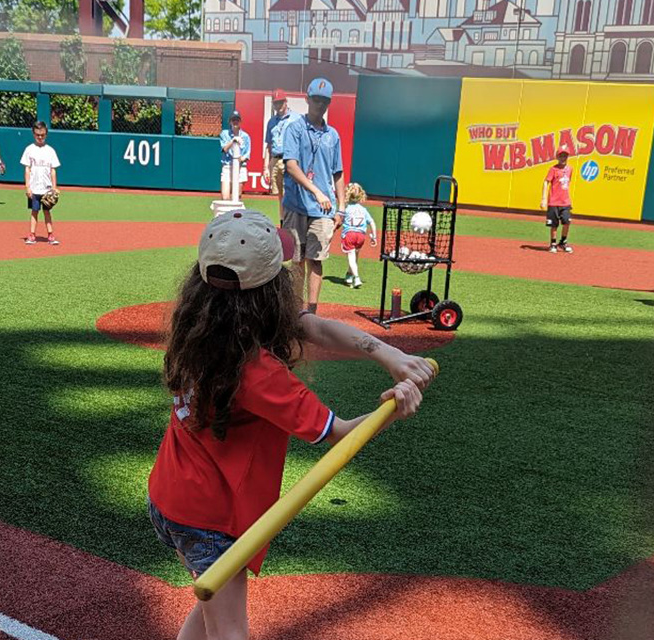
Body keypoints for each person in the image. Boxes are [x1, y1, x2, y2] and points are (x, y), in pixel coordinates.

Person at [147, 210, 435, 640]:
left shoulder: (201, 330)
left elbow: (310, 326)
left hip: (173, 500)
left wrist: (386, 353)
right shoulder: (258, 373)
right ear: (270, 292)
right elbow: (338, 433)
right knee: (229, 631)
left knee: (212, 606)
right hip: (211, 518)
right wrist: (392, 408)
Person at [282, 77, 345, 314]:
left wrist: (341, 207)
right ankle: (296, 310)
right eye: (316, 100)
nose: (320, 105)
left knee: (316, 260)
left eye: (325, 101)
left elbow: (338, 172)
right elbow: (291, 166)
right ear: (307, 100)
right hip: (297, 204)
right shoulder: (295, 128)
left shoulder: (333, 135)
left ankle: (312, 312)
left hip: (323, 209)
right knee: (296, 260)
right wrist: (316, 191)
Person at [20, 121, 61, 246]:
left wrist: (54, 187)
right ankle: (32, 235)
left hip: (46, 189)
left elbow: (53, 170)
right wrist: (27, 187)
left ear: (46, 134)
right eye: (38, 135)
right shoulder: (29, 149)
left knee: (47, 211)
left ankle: (50, 235)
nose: (40, 137)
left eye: (42, 135)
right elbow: (27, 169)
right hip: (34, 188)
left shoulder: (50, 151)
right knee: (34, 211)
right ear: (33, 134)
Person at [339, 182, 377, 289]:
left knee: (351, 256)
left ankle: (356, 277)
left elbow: (339, 220)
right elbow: (372, 222)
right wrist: (374, 237)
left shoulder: (346, 209)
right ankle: (349, 275)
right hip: (361, 236)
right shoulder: (363, 210)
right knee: (355, 256)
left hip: (349, 234)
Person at [262, 89, 293, 217]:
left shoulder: (295, 119)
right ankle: (282, 221)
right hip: (275, 159)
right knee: (280, 195)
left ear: (286, 102)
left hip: (289, 160)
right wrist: (265, 168)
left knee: (288, 194)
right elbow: (268, 145)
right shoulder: (271, 121)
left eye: (280, 102)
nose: (278, 106)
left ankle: (289, 222)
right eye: (275, 103)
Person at [540, 145, 574, 253]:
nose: (563, 158)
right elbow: (546, 182)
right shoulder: (553, 169)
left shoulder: (570, 169)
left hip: (565, 202)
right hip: (554, 202)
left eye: (565, 155)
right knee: (554, 224)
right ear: (557, 157)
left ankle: (563, 242)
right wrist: (544, 198)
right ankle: (553, 243)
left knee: (567, 221)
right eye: (561, 155)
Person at [219, 111, 251, 200]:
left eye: (237, 120)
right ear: (230, 122)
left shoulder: (245, 136)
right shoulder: (224, 134)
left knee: (237, 196)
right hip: (228, 165)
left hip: (240, 167)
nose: (235, 122)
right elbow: (224, 149)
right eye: (233, 120)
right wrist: (233, 141)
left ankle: (236, 213)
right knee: (225, 197)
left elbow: (247, 155)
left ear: (240, 122)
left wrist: (240, 159)